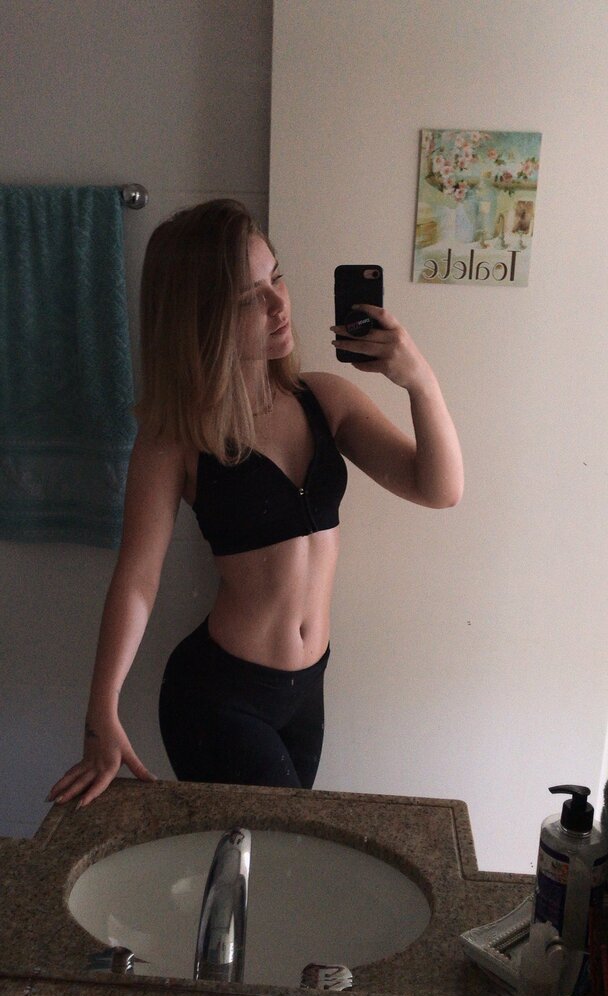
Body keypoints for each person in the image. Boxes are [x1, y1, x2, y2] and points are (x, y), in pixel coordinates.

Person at [48, 198, 463, 808]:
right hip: (220, 698)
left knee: (270, 858)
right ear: (201, 317)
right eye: (249, 298)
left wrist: (419, 379)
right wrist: (100, 714)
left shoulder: (324, 399)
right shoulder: (175, 437)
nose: (278, 305)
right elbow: (137, 578)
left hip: (307, 691)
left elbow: (439, 488)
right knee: (274, 853)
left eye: (277, 277)